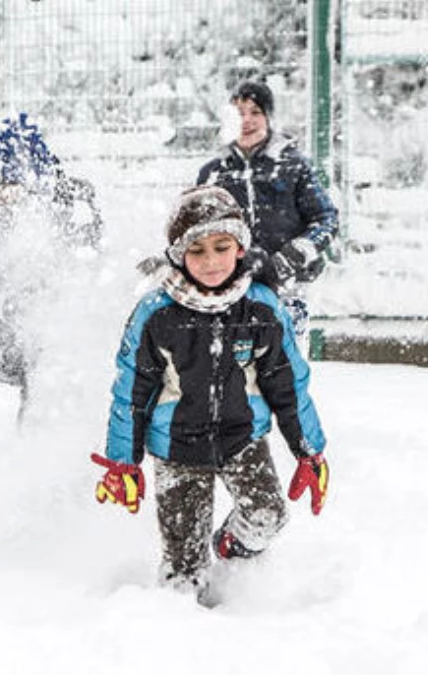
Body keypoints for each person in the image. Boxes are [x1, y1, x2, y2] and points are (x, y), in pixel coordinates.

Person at [90, 185, 329, 604]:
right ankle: (182, 631)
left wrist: (309, 449)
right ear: (179, 255)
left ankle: (229, 552)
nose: (211, 261)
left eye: (222, 246)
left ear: (240, 248)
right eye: (197, 251)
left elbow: (288, 384)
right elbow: (130, 390)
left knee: (267, 515)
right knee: (184, 571)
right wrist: (123, 460)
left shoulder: (261, 307)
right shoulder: (156, 313)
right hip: (176, 447)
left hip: (243, 438)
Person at [0, 113, 103, 422]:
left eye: (10, 183)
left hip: (53, 319)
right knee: (36, 358)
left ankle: (46, 433)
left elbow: (87, 263)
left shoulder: (69, 203)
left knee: (48, 363)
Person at [195, 80, 338, 337]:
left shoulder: (293, 166)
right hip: (233, 285)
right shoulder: (214, 173)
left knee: (284, 362)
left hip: (289, 284)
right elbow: (196, 229)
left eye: (255, 112)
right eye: (239, 113)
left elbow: (326, 219)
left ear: (269, 117)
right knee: (237, 366)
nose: (247, 120)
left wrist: (291, 257)